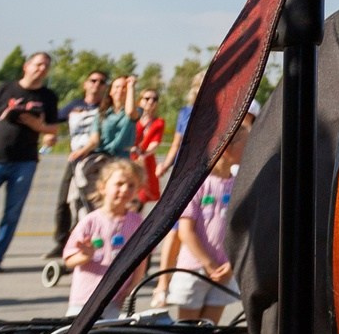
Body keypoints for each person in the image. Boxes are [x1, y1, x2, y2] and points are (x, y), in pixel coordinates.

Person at [0, 50, 61, 273]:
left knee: (12, 214)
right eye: (37, 64)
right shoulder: (4, 89)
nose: (41, 69)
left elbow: (53, 129)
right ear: (26, 66)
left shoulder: (48, 97)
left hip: (24, 162)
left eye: (46, 66)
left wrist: (38, 127)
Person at [157, 134, 241, 322]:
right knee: (188, 331)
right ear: (226, 149)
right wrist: (209, 264)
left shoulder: (239, 183)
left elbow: (244, 230)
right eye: (245, 143)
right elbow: (185, 231)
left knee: (210, 329)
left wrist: (231, 264)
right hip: (194, 269)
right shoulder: (198, 184)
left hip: (224, 270)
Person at [62, 158, 145, 316]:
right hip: (85, 298)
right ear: (102, 187)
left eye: (131, 185)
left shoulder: (137, 222)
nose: (125, 189)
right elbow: (69, 260)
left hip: (115, 298)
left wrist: (131, 288)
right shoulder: (90, 222)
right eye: (119, 184)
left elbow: (141, 260)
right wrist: (85, 256)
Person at [50, 69, 112, 265]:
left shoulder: (105, 107)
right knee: (63, 203)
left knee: (88, 204)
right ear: (85, 84)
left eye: (102, 82)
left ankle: (86, 243)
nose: (97, 84)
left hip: (96, 161)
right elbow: (52, 120)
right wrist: (48, 134)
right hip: (75, 161)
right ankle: (61, 242)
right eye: (93, 80)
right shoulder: (74, 106)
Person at [131, 87, 166, 206]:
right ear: (140, 101)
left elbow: (155, 144)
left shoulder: (158, 122)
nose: (151, 102)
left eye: (154, 99)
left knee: (140, 201)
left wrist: (144, 154)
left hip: (146, 161)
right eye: (147, 98)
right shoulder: (132, 120)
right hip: (130, 159)